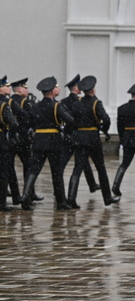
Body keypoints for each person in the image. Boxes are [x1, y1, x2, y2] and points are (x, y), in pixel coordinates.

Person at [20, 77, 75, 210]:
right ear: (51, 91)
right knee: (56, 172)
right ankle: (61, 201)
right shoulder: (56, 106)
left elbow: (30, 123)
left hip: (39, 140)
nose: (58, 89)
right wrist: (65, 132)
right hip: (53, 141)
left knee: (33, 170)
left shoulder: (35, 106)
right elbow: (71, 120)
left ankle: (26, 197)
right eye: (56, 87)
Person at [67, 76, 119, 207]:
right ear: (92, 90)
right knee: (100, 168)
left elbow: (71, 121)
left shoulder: (76, 103)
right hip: (92, 138)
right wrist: (104, 129)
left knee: (77, 169)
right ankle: (107, 198)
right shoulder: (96, 103)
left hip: (79, 138)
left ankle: (71, 198)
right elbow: (106, 119)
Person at [60, 74, 99, 193]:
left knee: (73, 162)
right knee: (79, 163)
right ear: (76, 88)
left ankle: (91, 184)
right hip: (78, 135)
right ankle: (90, 185)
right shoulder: (80, 101)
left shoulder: (63, 101)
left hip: (69, 136)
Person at [0, 76, 20, 210]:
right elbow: (13, 123)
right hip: (2, 139)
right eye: (6, 86)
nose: (8, 88)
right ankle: (1, 203)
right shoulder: (3, 105)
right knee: (4, 172)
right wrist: (12, 136)